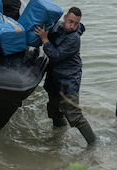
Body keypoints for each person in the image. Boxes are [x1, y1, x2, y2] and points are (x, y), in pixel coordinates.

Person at [36, 7, 96, 145]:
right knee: (53, 108)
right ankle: (59, 135)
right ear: (65, 18)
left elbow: (56, 55)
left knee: (74, 115)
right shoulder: (58, 27)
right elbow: (49, 33)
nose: (72, 26)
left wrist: (45, 40)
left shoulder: (74, 39)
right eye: (70, 22)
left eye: (76, 23)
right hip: (55, 77)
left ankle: (94, 143)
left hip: (69, 79)